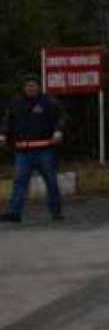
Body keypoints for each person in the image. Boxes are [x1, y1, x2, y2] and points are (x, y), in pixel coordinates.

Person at [1, 74, 66, 223]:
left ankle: (56, 212)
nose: (30, 88)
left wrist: (58, 131)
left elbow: (61, 117)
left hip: (45, 150)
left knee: (51, 181)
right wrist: (3, 134)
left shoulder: (48, 102)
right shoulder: (16, 103)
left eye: (33, 86)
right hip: (23, 151)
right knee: (19, 181)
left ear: (38, 87)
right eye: (28, 86)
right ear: (24, 88)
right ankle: (14, 213)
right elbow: (7, 119)